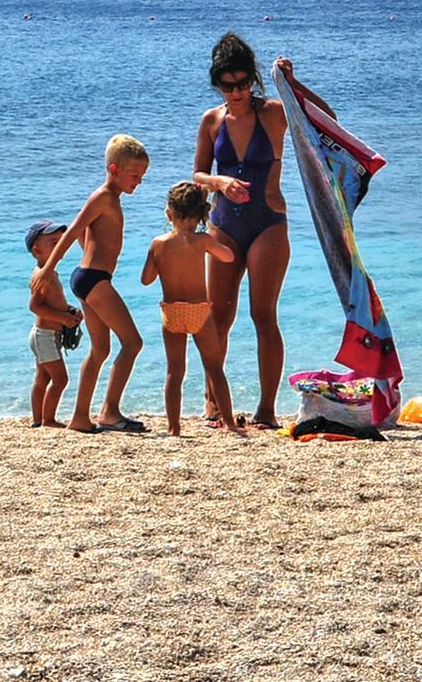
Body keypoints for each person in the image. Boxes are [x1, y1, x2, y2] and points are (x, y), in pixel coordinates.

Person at [190, 35, 334, 428]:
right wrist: (219, 182)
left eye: (242, 83)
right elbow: (198, 173)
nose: (236, 92)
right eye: (227, 86)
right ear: (217, 84)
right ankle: (213, 403)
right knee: (218, 317)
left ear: (252, 79)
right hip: (223, 224)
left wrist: (293, 84)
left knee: (263, 315)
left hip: (267, 223)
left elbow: (328, 120)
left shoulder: (274, 112)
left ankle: (266, 409)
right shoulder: (211, 121)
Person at [31, 134, 150, 433]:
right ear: (114, 169)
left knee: (100, 349)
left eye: (142, 176)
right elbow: (73, 231)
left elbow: (85, 234)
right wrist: (48, 268)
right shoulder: (103, 197)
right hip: (93, 279)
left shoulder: (109, 198)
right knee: (133, 343)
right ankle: (109, 412)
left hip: (90, 277)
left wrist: (89, 255)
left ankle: (80, 418)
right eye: (134, 175)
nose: (139, 181)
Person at [141, 183, 238, 436]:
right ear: (201, 215)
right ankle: (229, 422)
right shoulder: (202, 240)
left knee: (174, 372)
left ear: (169, 214)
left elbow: (146, 279)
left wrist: (161, 263)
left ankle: (174, 427)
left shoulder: (158, 243)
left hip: (172, 312)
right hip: (199, 312)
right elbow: (228, 257)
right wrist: (213, 239)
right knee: (214, 368)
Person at [24, 221, 83, 429]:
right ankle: (48, 420)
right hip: (45, 335)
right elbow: (35, 306)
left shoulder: (50, 273)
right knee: (60, 379)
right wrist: (62, 319)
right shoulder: (43, 276)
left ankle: (38, 419)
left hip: (45, 335)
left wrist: (69, 311)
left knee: (42, 377)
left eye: (61, 242)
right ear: (37, 250)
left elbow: (54, 302)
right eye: (54, 243)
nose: (60, 246)